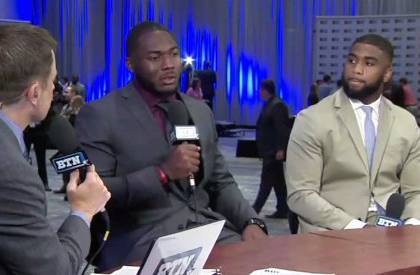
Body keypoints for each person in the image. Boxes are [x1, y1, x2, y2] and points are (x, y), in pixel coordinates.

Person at [75, 21, 267, 271]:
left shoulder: (199, 111)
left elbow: (220, 181)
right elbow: (94, 195)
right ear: (131, 64)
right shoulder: (100, 115)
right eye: (155, 57)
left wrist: (251, 220)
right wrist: (161, 173)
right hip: (141, 242)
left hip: (209, 234)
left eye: (174, 54)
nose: (169, 65)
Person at [0, 23, 110, 274]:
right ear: (35, 93)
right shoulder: (7, 172)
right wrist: (83, 211)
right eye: (53, 81)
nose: (54, 89)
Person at [286, 33, 420, 233]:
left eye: (369, 63)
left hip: (391, 239)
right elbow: (300, 195)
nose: (356, 69)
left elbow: (415, 191)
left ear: (387, 74)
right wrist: (359, 229)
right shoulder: (312, 119)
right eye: (352, 60)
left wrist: (410, 227)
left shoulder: (405, 122)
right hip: (331, 236)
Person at [253, 79, 290, 219]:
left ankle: (255, 209)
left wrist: (281, 149)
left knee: (266, 182)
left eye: (260, 90)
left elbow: (282, 129)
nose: (259, 92)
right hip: (269, 150)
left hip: (273, 151)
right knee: (279, 182)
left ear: (265, 90)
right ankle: (283, 209)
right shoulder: (270, 104)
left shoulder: (277, 106)